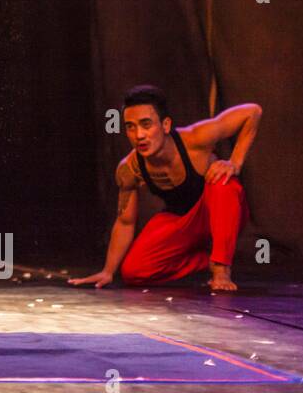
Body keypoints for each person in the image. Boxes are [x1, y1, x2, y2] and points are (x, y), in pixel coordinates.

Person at [70, 85, 261, 292]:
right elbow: (125, 222)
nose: (139, 135)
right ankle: (209, 260)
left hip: (220, 211)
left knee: (222, 182)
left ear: (166, 125)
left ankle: (221, 270)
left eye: (146, 125)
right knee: (134, 271)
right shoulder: (129, 169)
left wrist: (234, 163)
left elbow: (252, 112)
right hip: (181, 219)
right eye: (130, 127)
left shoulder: (196, 139)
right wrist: (108, 271)